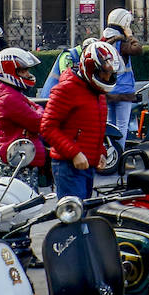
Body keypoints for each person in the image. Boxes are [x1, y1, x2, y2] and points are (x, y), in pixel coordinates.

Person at [41, 40, 119, 200]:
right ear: (91, 70)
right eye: (104, 73)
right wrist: (74, 153)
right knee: (75, 218)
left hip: (87, 164)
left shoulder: (98, 92)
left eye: (110, 73)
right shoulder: (66, 89)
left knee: (84, 214)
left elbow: (95, 127)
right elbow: (47, 127)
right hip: (67, 166)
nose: (107, 77)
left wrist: (101, 152)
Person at [0, 47, 46, 183]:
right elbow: (38, 122)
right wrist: (39, 110)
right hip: (17, 162)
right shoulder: (9, 98)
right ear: (9, 72)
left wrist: (36, 108)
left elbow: (34, 107)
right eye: (23, 71)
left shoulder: (10, 93)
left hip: (17, 157)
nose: (27, 74)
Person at [101, 8, 143, 141]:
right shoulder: (122, 43)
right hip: (124, 90)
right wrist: (130, 35)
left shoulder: (103, 41)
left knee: (110, 125)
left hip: (107, 90)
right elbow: (138, 49)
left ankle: (110, 155)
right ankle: (119, 154)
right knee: (122, 126)